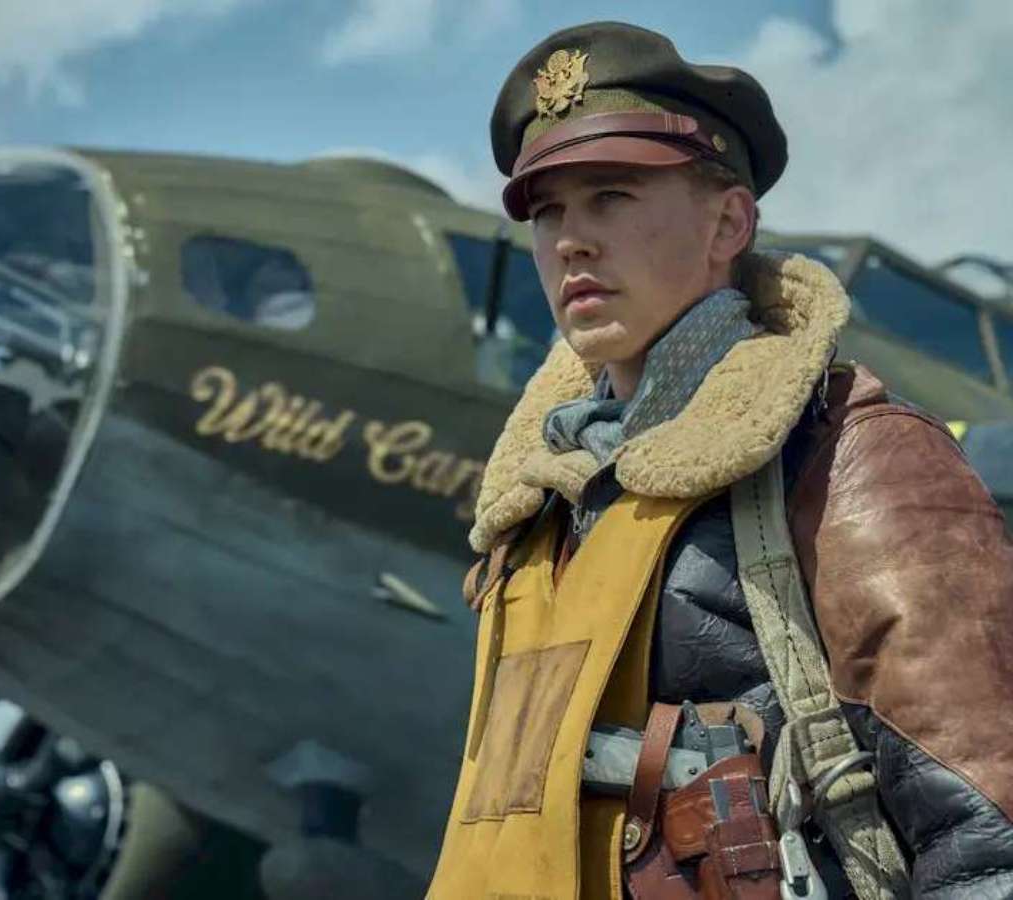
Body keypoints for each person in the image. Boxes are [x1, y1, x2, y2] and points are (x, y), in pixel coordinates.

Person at [427, 21, 1013, 900]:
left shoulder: (847, 453)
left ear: (728, 222)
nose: (571, 241)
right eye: (547, 213)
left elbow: (987, 842)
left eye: (611, 196)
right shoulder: (541, 501)